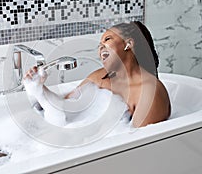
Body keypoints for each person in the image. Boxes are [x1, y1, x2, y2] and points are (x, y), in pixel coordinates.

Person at [24, 21, 171, 128]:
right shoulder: (99, 78)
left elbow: (138, 148)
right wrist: (40, 90)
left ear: (128, 44)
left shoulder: (149, 92)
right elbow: (64, 109)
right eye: (99, 46)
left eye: (107, 39)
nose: (101, 48)